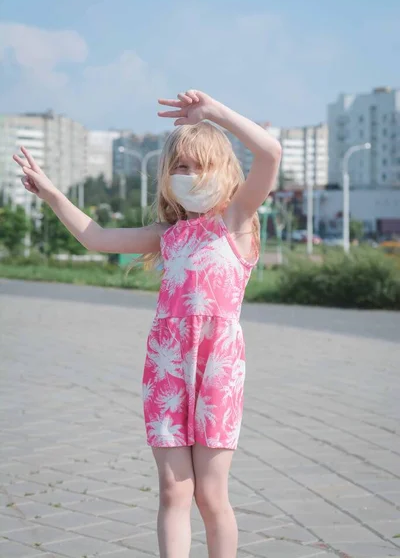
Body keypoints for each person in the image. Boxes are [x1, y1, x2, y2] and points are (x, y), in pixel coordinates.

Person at [13, 89, 281, 558]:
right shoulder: (167, 235)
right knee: (173, 491)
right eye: (180, 166)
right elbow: (96, 237)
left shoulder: (237, 220)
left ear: (224, 174)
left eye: (201, 165)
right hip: (167, 367)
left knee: (211, 495)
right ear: (165, 176)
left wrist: (215, 113)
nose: (190, 175)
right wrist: (53, 193)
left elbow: (269, 152)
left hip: (217, 368)